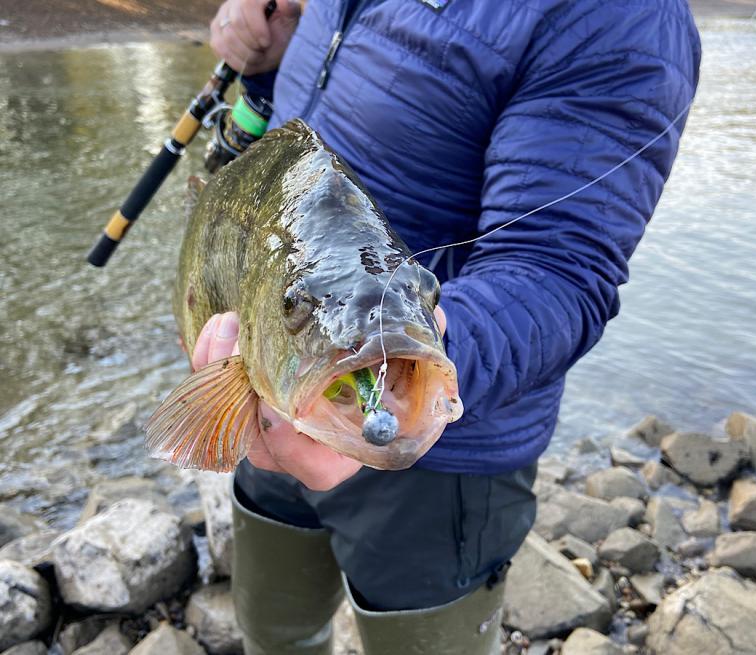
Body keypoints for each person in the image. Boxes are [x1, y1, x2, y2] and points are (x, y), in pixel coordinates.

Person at [194, 1, 701, 653]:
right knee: (274, 628)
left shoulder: (625, 18)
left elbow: (559, 268)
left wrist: (406, 372)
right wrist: (273, 63)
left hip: (440, 467)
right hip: (274, 380)